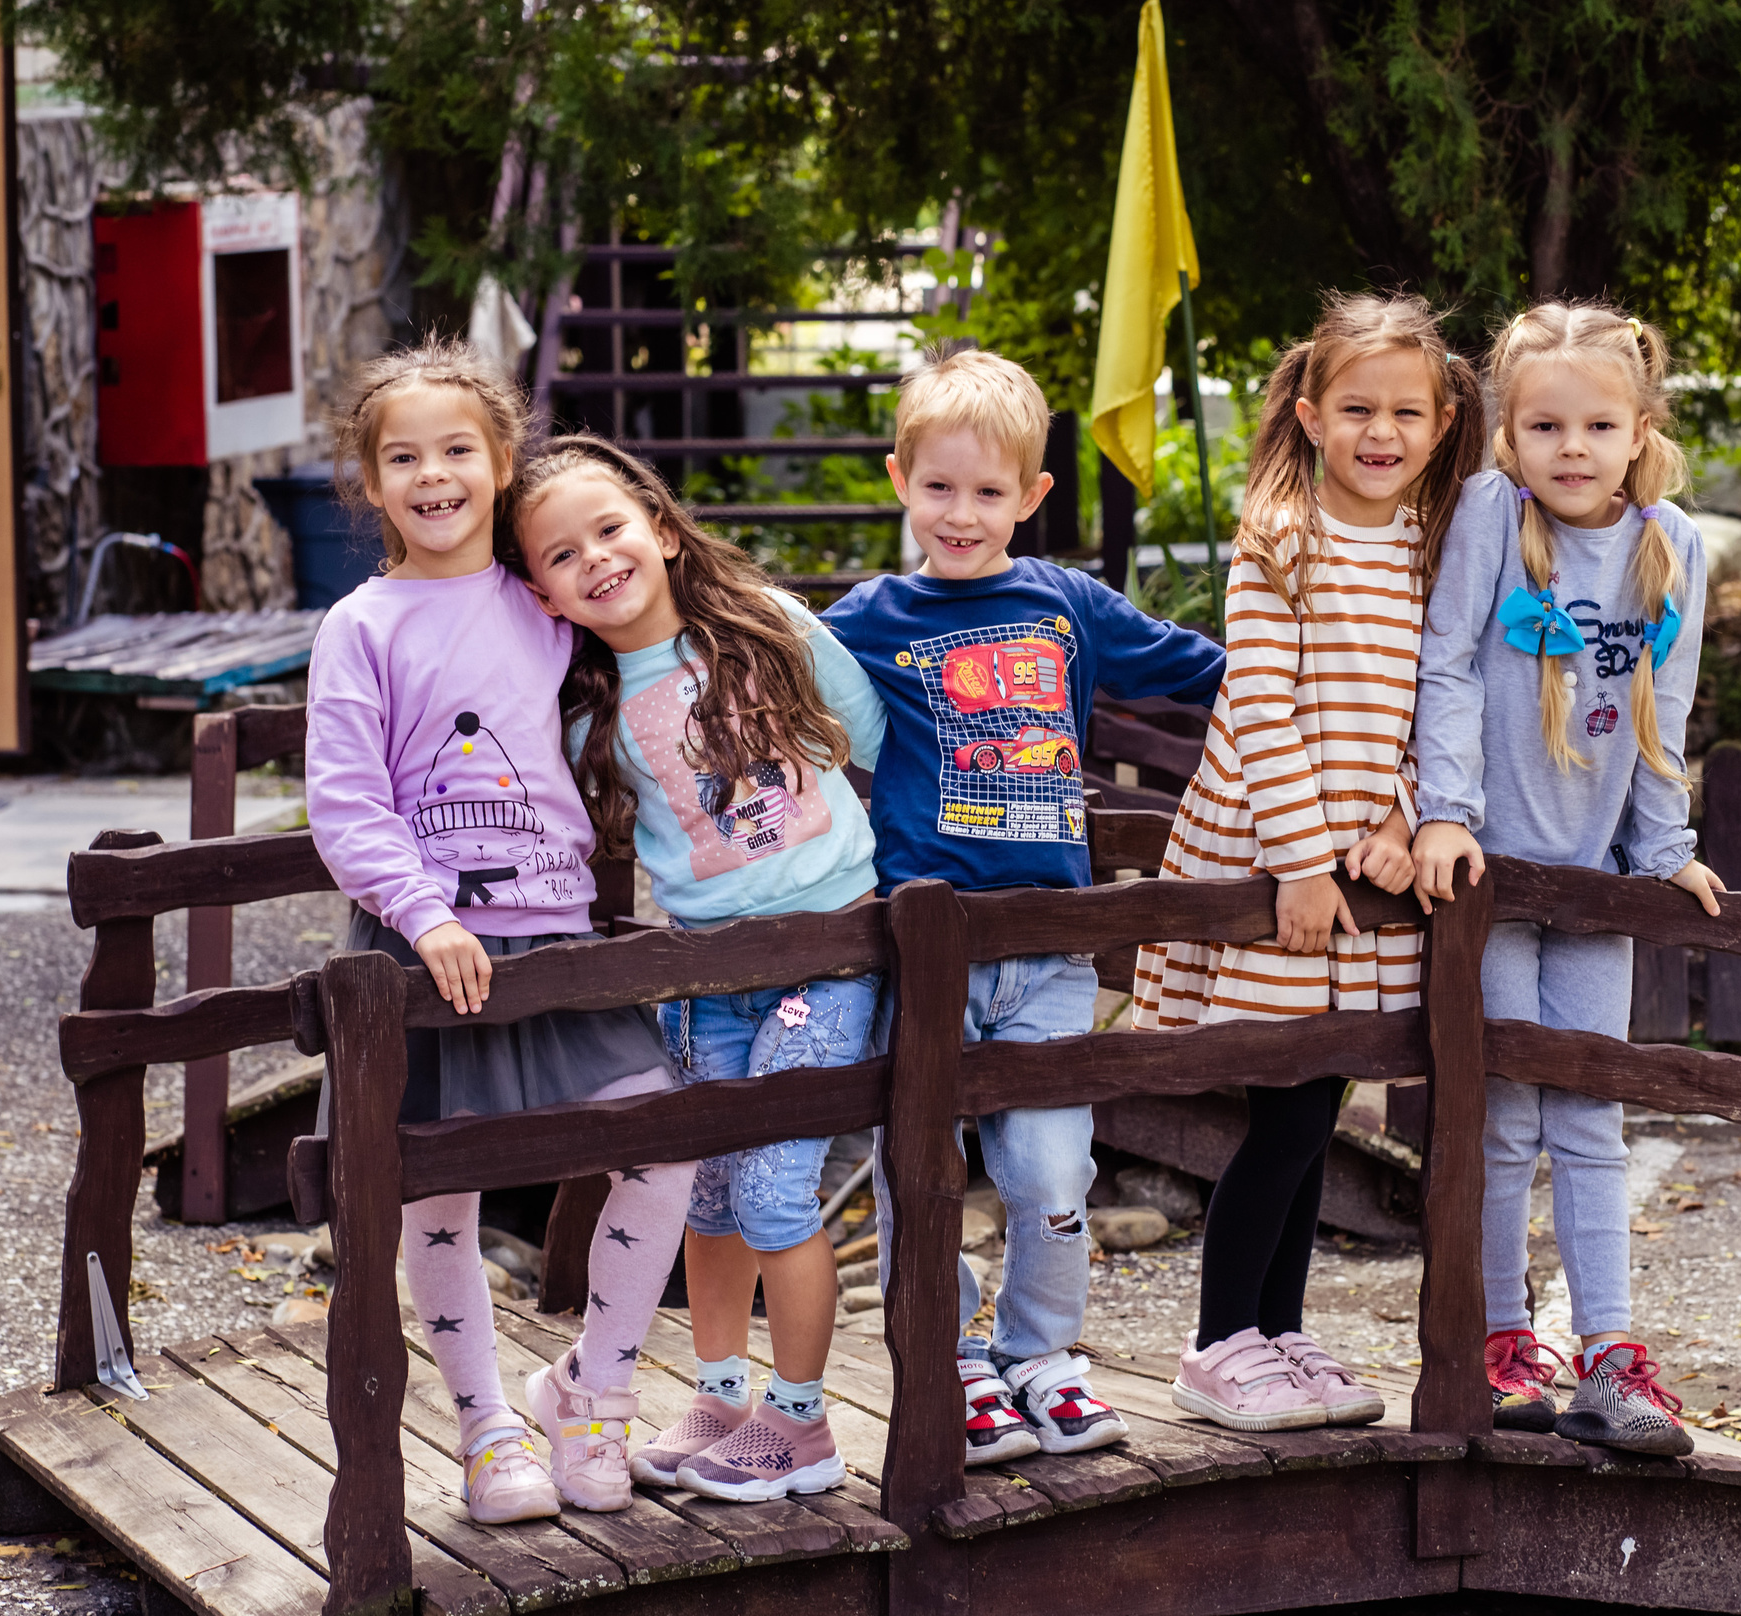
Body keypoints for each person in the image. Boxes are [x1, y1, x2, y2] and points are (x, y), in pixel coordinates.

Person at [305, 341, 692, 1523]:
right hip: (424, 958)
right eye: (404, 458)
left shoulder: (545, 601)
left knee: (664, 1145)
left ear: (501, 459)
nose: (433, 476)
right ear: (371, 482)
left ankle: (594, 1390)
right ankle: (486, 1429)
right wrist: (423, 913)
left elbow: (659, 647)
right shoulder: (361, 626)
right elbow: (346, 803)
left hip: (557, 944)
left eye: (457, 450)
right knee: (438, 1195)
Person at [822, 347, 1227, 1460]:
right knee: (920, 1165)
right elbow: (765, 687)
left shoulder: (1067, 604)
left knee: (1053, 1171)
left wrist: (1321, 679)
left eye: (988, 492)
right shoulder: (867, 617)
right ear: (900, 479)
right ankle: (946, 1356)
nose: (961, 514)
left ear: (1031, 496)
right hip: (925, 949)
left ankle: (1042, 1355)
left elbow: (1207, 671)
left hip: (1050, 951)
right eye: (938, 487)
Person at [505, 435, 887, 1501]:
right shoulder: (584, 707)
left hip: (825, 960)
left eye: (610, 529)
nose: (595, 558)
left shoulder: (764, 625)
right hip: (706, 976)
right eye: (562, 554)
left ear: (663, 531)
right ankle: (719, 1397)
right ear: (542, 593)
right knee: (709, 1195)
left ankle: (801, 1424)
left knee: (773, 1189)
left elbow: (869, 729)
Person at [1131, 294, 1485, 1432]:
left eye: (1406, 412)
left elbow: (1440, 704)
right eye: (1357, 408)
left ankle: (1276, 1334)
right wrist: (1298, 862)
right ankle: (1218, 1342)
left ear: (1441, 424)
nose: (1382, 432)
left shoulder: (1434, 549)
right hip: (1276, 856)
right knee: (1285, 1107)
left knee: (1318, 1104)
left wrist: (1405, 817)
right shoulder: (1280, 539)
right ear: (1309, 413)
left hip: (1366, 871)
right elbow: (1263, 712)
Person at [1409, 300, 1722, 1456]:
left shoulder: (1669, 543)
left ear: (1639, 430)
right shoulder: (1490, 514)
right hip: (1489, 883)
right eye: (1544, 426)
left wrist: (1664, 852)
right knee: (1501, 1117)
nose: (1572, 449)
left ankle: (1609, 1359)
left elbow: (1663, 713)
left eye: (1597, 426)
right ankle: (1498, 1344)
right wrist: (1446, 815)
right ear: (1509, 434)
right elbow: (1446, 667)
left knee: (1592, 1116)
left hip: (1594, 888)